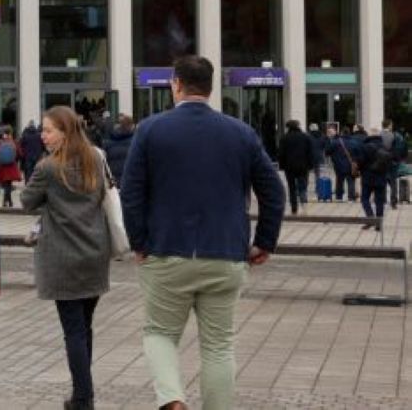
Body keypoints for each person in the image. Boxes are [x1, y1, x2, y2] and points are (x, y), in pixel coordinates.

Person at [120, 55, 285, 410]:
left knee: (160, 333)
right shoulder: (241, 132)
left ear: (175, 84)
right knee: (218, 345)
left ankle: (173, 399)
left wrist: (139, 243)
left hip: (166, 251)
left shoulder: (150, 130)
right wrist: (264, 241)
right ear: (212, 88)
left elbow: (130, 192)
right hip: (225, 253)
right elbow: (274, 191)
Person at [20, 106, 111, 410]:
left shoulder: (47, 168)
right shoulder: (95, 159)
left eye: (48, 130)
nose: (43, 136)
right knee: (84, 326)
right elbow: (102, 197)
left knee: (73, 331)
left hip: (63, 258)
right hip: (95, 253)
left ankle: (83, 398)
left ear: (65, 131)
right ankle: (83, 393)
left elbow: (27, 201)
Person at [354, 129, 395, 230]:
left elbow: (360, 162)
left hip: (367, 178)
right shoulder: (385, 147)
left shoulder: (365, 147)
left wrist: (359, 169)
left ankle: (370, 217)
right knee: (379, 201)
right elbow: (389, 163)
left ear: (369, 136)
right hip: (381, 178)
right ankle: (378, 224)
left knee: (364, 199)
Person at [277, 120, 314, 215]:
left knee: (292, 188)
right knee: (302, 187)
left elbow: (281, 154)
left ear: (288, 127)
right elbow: (310, 152)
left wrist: (281, 166)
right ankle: (304, 207)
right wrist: (310, 165)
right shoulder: (305, 137)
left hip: (289, 167)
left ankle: (294, 209)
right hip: (303, 166)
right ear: (298, 126)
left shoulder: (284, 138)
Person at [324, 123, 356, 202]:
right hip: (350, 165)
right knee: (351, 181)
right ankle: (351, 198)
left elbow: (327, 152)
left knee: (339, 181)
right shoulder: (354, 142)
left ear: (341, 133)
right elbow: (358, 153)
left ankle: (339, 197)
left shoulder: (336, 142)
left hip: (338, 165)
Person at [0, 127, 22, 208]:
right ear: (11, 133)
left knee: (6, 185)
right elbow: (19, 154)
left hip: (2, 167)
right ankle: (7, 201)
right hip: (12, 166)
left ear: (3, 133)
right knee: (8, 184)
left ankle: (7, 201)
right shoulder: (14, 142)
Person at [101, 114, 135, 184]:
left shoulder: (107, 144)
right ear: (131, 126)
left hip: (113, 183)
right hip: (129, 182)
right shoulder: (136, 142)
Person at [383, 119, 407, 209]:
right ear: (389, 125)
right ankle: (393, 202)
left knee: (383, 181)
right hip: (393, 163)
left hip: (383, 162)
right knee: (393, 183)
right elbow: (403, 149)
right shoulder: (397, 136)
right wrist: (399, 159)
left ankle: (383, 200)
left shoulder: (380, 136)